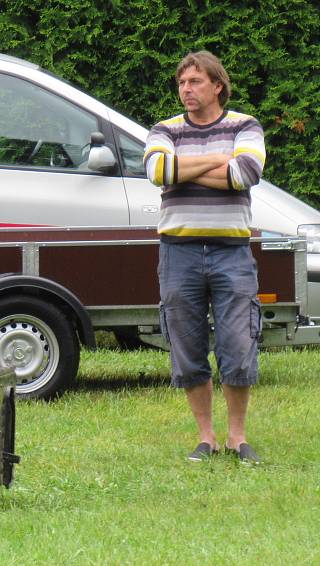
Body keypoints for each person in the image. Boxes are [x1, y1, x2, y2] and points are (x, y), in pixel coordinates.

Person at [144, 51, 266, 463]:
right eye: (181, 83)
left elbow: (244, 175)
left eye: (195, 82)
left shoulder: (245, 125)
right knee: (187, 344)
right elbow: (158, 172)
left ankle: (237, 436)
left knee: (238, 341)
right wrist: (218, 158)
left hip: (231, 251)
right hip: (178, 252)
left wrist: (186, 167)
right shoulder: (165, 129)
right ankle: (206, 436)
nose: (186, 90)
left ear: (217, 85)